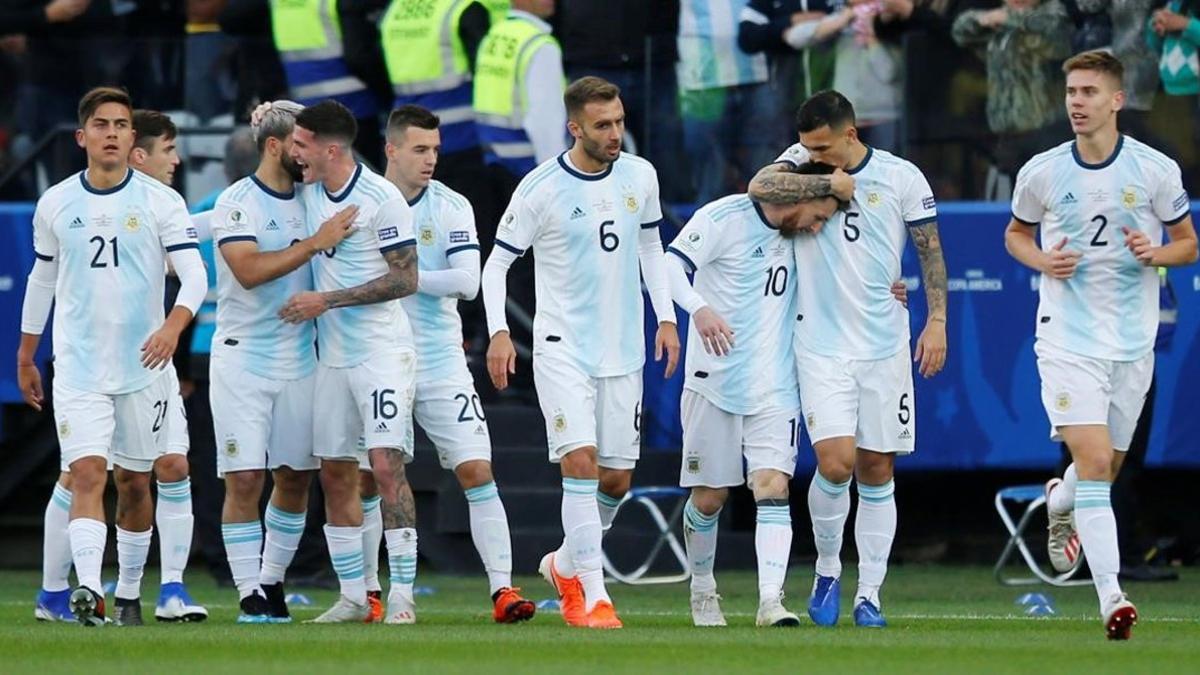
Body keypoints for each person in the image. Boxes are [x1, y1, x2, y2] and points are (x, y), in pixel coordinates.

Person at [1004, 50, 1197, 640]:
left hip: (1132, 343)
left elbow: (1187, 243)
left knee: (1102, 472)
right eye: (1071, 92)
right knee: (1092, 462)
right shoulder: (1041, 171)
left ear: (1116, 100)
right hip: (1065, 338)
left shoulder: (1155, 169)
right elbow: (1015, 234)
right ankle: (1112, 598)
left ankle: (1060, 503)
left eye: (1089, 92)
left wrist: (1155, 254)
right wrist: (1042, 259)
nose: (1077, 102)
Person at [482, 76, 679, 629]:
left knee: (616, 481)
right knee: (581, 465)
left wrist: (665, 316)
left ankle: (565, 564)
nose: (615, 133)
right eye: (603, 125)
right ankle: (593, 597)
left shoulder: (641, 174)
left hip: (623, 349)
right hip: (561, 347)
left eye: (618, 121)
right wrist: (499, 330)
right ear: (575, 128)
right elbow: (497, 265)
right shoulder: (541, 188)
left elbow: (650, 246)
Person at [748, 89, 949, 628]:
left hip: (884, 343)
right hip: (821, 344)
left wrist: (936, 320)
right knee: (835, 463)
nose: (812, 152)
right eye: (807, 144)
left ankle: (871, 595)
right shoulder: (804, 164)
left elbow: (929, 248)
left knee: (878, 468)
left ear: (851, 135)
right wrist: (825, 181)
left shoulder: (903, 177)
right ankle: (829, 568)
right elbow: (760, 186)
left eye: (823, 145)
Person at [17, 87, 207, 626]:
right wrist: (27, 353)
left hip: (143, 367)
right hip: (79, 366)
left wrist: (173, 326)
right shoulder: (56, 202)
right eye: (101, 125)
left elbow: (194, 274)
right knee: (85, 472)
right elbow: (42, 277)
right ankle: (85, 592)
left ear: (130, 137)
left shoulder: (161, 201)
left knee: (139, 478)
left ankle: (132, 592)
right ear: (82, 137)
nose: (112, 134)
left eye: (121, 125)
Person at [667, 162, 843, 628]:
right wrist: (699, 310)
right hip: (714, 381)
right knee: (709, 498)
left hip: (775, 384)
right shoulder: (723, 218)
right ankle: (702, 588)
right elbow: (669, 267)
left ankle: (771, 602)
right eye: (817, 215)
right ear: (797, 197)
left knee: (773, 486)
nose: (818, 227)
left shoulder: (803, 243)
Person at [378, 104, 535, 623]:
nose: (430, 160)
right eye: (420, 150)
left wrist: (402, 279)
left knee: (476, 468)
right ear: (392, 150)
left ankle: (503, 590)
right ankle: (383, 593)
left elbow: (468, 281)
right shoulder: (364, 202)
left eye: (436, 150)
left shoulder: (450, 206)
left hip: (441, 357)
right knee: (376, 474)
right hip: (375, 357)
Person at [209, 100, 356, 623]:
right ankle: (248, 589)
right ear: (274, 147)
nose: (306, 152)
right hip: (242, 358)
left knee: (295, 477)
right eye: (298, 142)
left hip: (302, 358)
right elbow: (248, 270)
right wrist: (315, 244)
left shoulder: (318, 197)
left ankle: (270, 582)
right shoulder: (236, 202)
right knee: (245, 479)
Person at [280, 100, 419, 624]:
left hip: (382, 351)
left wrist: (327, 301)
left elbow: (406, 280)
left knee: (385, 465)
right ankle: (356, 594)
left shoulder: (381, 199)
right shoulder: (310, 193)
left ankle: (401, 592)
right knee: (336, 473)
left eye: (301, 145)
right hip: (332, 357)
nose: (295, 154)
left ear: (328, 149)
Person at [473, 0, 566, 181]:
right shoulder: (541, 46)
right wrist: (557, 175)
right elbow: (545, 121)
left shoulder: (494, 34)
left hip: (493, 158)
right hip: (528, 165)